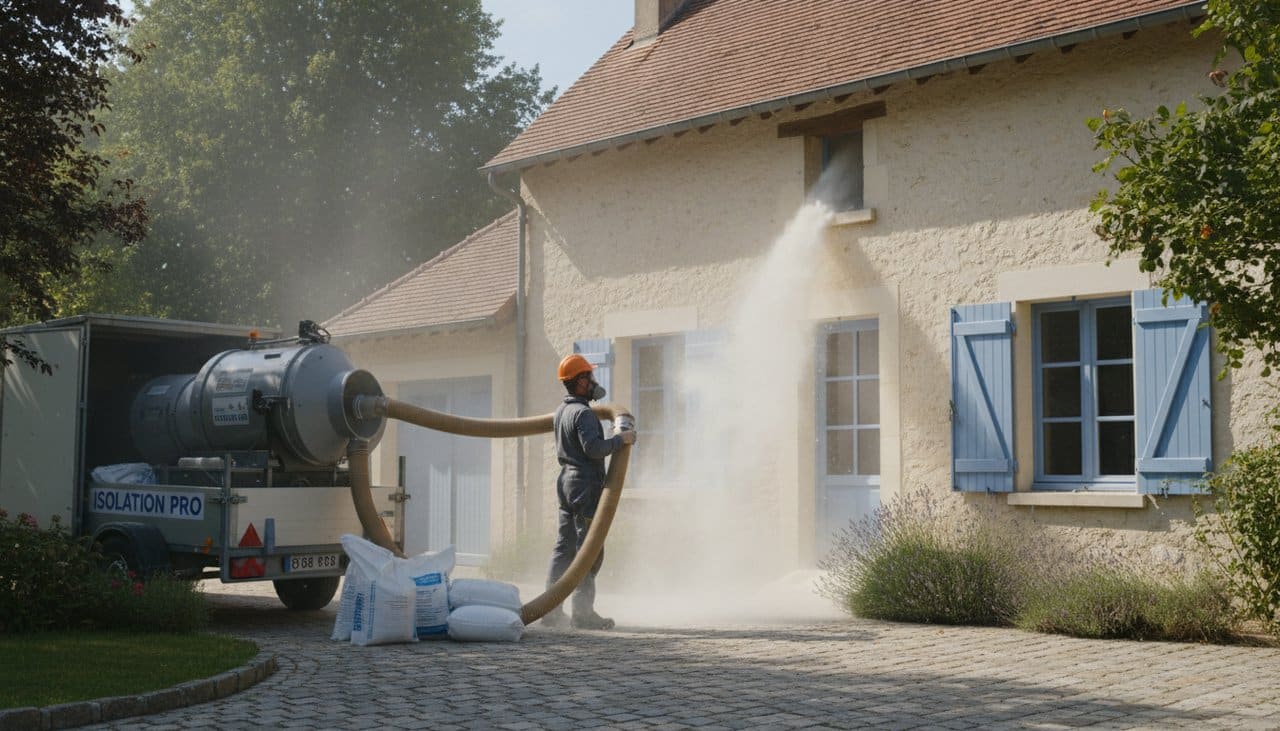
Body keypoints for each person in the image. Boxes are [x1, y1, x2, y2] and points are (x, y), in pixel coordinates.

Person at [541, 353, 637, 629]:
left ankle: (549, 610)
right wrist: (620, 439)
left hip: (566, 484)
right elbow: (593, 449)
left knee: (564, 547)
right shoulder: (583, 414)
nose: (594, 381)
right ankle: (582, 614)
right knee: (589, 550)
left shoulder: (561, 412)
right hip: (586, 485)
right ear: (580, 382)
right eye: (589, 376)